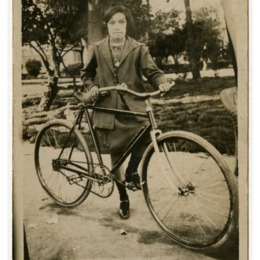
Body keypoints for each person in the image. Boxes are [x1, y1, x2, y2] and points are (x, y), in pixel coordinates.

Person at [80, 5, 173, 219]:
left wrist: (163, 82)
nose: (117, 27)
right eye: (112, 23)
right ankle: (123, 197)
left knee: (145, 133)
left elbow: (153, 72)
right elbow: (86, 75)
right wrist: (92, 87)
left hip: (133, 104)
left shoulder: (138, 48)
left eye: (121, 22)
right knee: (116, 154)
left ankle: (132, 171)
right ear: (107, 26)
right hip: (108, 107)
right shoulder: (97, 47)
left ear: (127, 24)